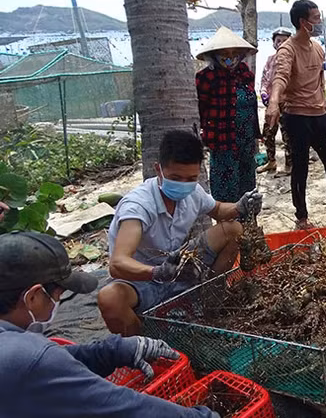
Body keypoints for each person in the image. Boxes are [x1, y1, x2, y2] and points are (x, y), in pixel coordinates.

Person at [0, 232, 219, 417]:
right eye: (58, 295)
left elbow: (44, 364)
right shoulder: (28, 358)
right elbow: (121, 407)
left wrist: (111, 351)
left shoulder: (18, 353)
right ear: (33, 297)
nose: (58, 302)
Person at [98, 130, 262, 336]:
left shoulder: (193, 191)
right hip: (142, 281)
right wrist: (157, 272)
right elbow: (118, 264)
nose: (184, 184)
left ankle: (210, 306)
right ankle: (143, 344)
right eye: (176, 177)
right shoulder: (138, 206)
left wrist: (240, 206)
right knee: (110, 298)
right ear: (158, 169)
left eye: (191, 178)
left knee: (234, 230)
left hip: (181, 268)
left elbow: (219, 210)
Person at [265, 0, 326, 230]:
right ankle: (301, 217)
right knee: (300, 167)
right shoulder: (287, 49)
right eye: (316, 18)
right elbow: (280, 77)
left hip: (320, 115)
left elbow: (320, 83)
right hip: (297, 116)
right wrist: (273, 102)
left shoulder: (318, 48)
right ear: (303, 22)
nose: (320, 22)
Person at [195, 26, 260, 202]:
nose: (230, 57)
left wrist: (255, 135)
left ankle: (248, 223)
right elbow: (200, 109)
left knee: (247, 183)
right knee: (225, 185)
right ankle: (227, 223)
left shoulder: (244, 72)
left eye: (234, 52)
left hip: (246, 139)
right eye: (224, 52)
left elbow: (252, 104)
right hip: (222, 140)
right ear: (214, 55)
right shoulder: (206, 77)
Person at [259, 27, 293, 176]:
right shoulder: (270, 60)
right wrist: (264, 94)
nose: (280, 44)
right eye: (278, 41)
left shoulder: (292, 59)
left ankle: (290, 164)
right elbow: (265, 79)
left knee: (288, 135)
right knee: (268, 133)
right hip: (271, 102)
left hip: (287, 102)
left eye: (284, 41)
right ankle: (271, 161)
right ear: (273, 43)